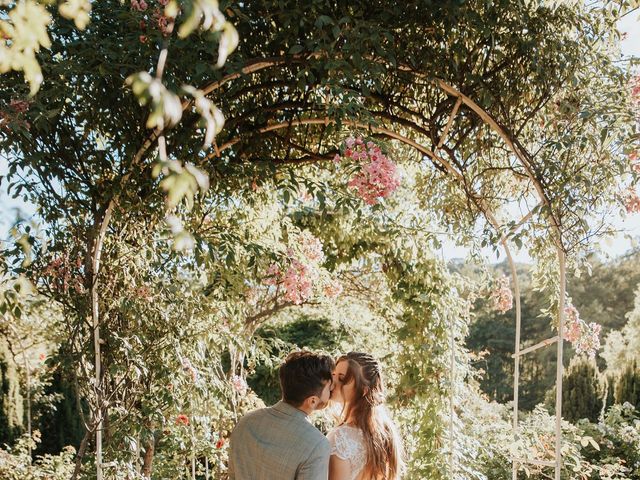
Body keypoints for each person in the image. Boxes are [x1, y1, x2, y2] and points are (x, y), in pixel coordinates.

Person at [229, 350, 335, 480]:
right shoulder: (317, 445)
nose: (332, 391)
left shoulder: (246, 422)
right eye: (329, 388)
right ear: (312, 400)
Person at [327, 352, 404, 480]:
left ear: (364, 390)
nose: (332, 383)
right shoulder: (386, 432)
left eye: (342, 379)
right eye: (333, 375)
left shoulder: (340, 438)